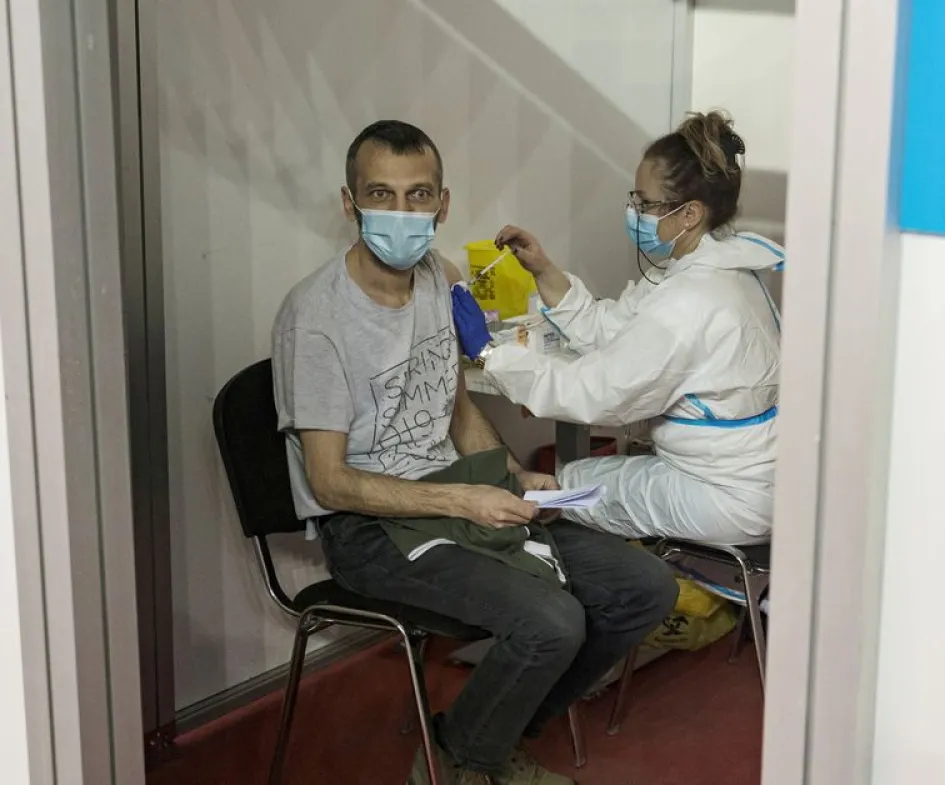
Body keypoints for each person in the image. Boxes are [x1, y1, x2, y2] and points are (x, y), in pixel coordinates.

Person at [271, 119, 677, 785]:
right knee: (552, 622)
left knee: (645, 587)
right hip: (370, 528)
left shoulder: (443, 277)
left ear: (443, 204)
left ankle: (481, 738)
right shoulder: (316, 318)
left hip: (457, 498)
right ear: (350, 203)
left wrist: (512, 475)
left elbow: (455, 406)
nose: (402, 212)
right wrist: (464, 497)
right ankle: (466, 763)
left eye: (418, 195)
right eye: (380, 194)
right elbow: (329, 481)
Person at [453, 111, 782, 546]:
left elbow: (595, 393)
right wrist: (544, 271)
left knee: (565, 490)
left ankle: (588, 583)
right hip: (747, 475)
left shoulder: (692, 300)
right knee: (571, 480)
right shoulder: (716, 268)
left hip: (725, 495)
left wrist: (489, 355)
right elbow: (614, 329)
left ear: (689, 214)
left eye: (645, 204)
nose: (633, 213)